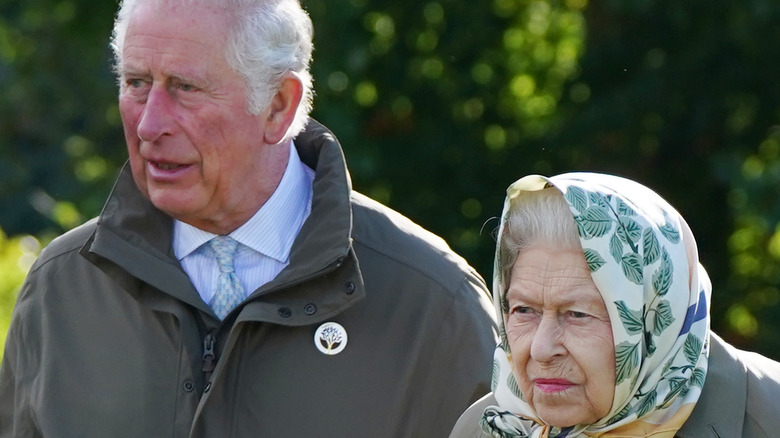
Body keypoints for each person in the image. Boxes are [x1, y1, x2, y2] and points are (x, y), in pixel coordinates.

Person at [0, 0, 497, 436]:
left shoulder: (435, 307)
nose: (149, 123)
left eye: (185, 87)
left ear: (279, 106)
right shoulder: (62, 288)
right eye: (136, 83)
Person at [450, 172, 780, 438]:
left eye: (577, 314)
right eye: (524, 310)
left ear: (654, 319)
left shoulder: (768, 417)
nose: (541, 349)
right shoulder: (486, 428)